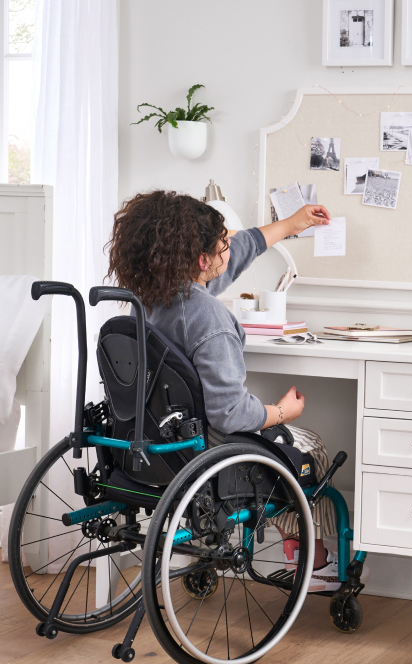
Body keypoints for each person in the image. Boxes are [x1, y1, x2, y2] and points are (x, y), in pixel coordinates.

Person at [105, 190, 342, 591]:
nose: (230, 248)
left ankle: (292, 548)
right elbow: (231, 414)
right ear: (203, 261)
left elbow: (243, 248)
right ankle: (313, 561)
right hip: (204, 448)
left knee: (278, 441)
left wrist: (290, 225)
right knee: (306, 447)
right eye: (223, 244)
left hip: (145, 443)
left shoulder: (147, 298)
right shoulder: (210, 318)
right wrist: (282, 412)